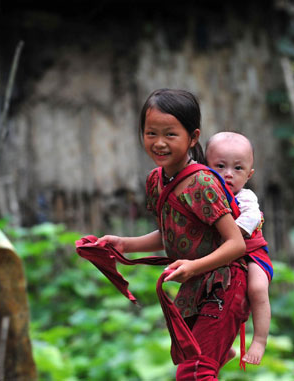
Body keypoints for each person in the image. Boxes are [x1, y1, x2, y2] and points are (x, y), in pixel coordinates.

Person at [97, 88, 249, 380]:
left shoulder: (202, 183)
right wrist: (123, 244)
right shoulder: (156, 180)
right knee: (193, 367)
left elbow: (236, 244)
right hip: (197, 286)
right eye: (151, 133)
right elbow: (172, 234)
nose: (159, 143)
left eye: (170, 134)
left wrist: (193, 266)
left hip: (225, 283)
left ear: (193, 138)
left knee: (195, 372)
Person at [206, 132, 272, 366]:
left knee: (256, 289)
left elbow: (250, 220)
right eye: (220, 166)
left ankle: (260, 340)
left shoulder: (246, 198)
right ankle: (223, 348)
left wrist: (231, 235)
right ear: (206, 167)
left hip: (252, 255)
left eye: (237, 169)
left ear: (249, 175)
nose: (228, 174)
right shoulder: (207, 196)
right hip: (223, 256)